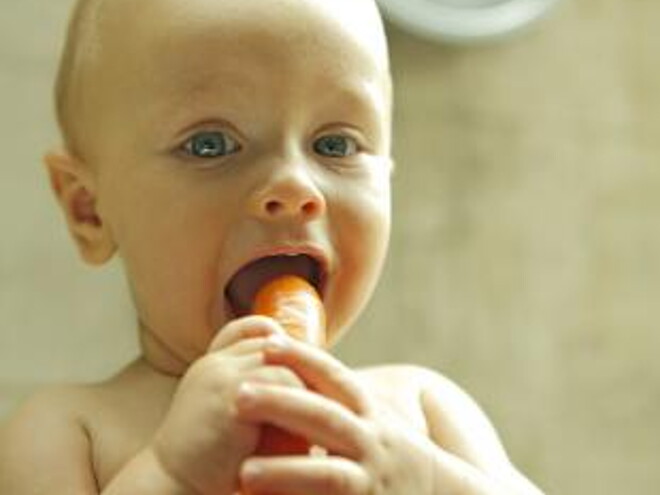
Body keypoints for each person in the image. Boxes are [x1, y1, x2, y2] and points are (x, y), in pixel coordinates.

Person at [0, 0, 545, 493]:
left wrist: (426, 482)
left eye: (335, 144)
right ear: (88, 210)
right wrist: (171, 474)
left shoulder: (422, 412)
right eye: (210, 144)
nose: (293, 187)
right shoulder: (70, 431)